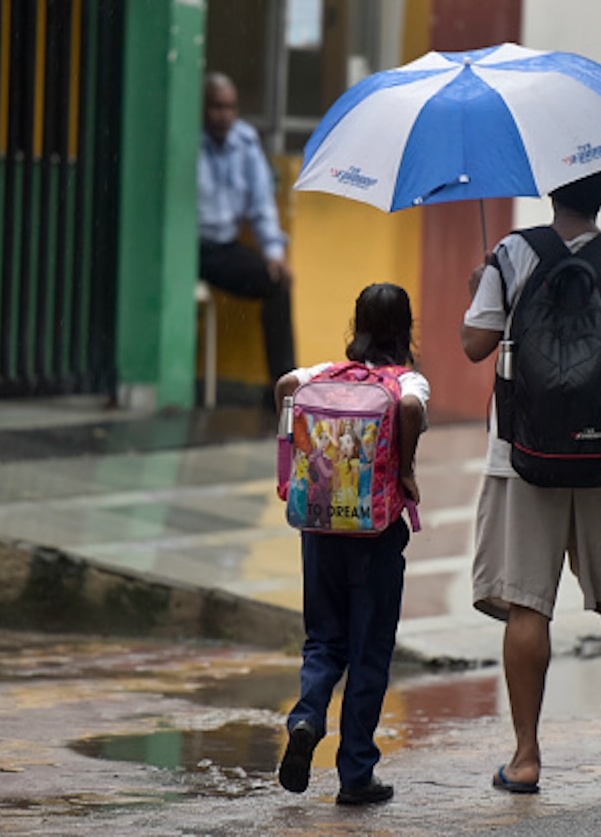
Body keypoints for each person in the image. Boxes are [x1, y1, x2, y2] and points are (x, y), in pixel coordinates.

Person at [459, 168, 601, 793]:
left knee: (528, 604)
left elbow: (475, 346)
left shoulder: (513, 254)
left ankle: (525, 758)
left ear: (550, 191)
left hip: (521, 454)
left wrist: (482, 290)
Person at [275, 283, 429, 806]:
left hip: (319, 528)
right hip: (376, 533)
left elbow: (285, 385)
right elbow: (409, 406)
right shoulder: (406, 379)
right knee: (369, 651)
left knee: (323, 639)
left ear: (356, 325)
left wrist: (289, 448)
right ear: (405, 329)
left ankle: (306, 718)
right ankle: (356, 774)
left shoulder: (323, 374)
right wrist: (405, 469)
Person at [198, 71, 296, 393]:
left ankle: (282, 386)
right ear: (201, 107)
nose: (224, 115)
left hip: (223, 247)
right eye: (216, 107)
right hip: (186, 245)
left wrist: (273, 254)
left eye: (230, 107)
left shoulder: (245, 141)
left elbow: (261, 205)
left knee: (277, 283)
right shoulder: (188, 140)